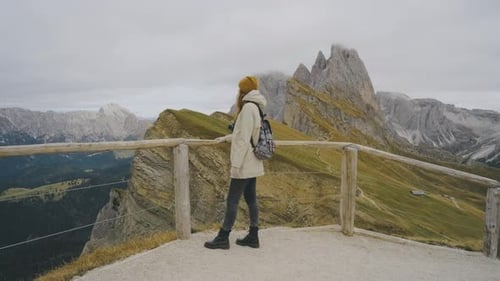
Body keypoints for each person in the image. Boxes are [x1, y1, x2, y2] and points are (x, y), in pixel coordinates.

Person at [204, 76, 267, 250]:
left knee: (232, 200)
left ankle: (223, 237)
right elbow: (244, 136)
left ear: (243, 90)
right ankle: (253, 236)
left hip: (244, 163)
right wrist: (226, 137)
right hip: (253, 161)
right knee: (251, 199)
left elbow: (243, 140)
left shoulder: (247, 108)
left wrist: (236, 165)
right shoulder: (257, 107)